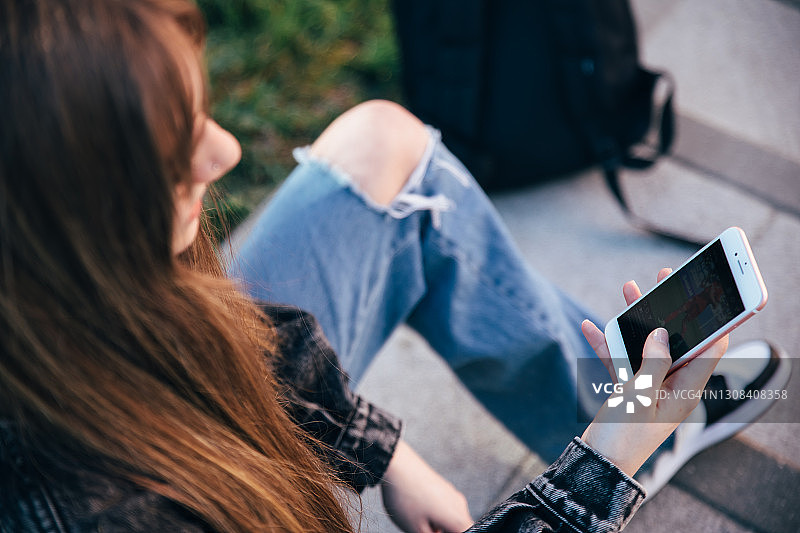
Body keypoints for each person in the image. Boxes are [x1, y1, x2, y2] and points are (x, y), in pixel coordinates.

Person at [0, 1, 787, 532]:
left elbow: (238, 337)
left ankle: (592, 396)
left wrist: (382, 448)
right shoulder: (114, 509)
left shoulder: (64, 304)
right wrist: (610, 460)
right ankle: (626, 422)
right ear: (61, 222)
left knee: (385, 148)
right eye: (172, 148)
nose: (227, 152)